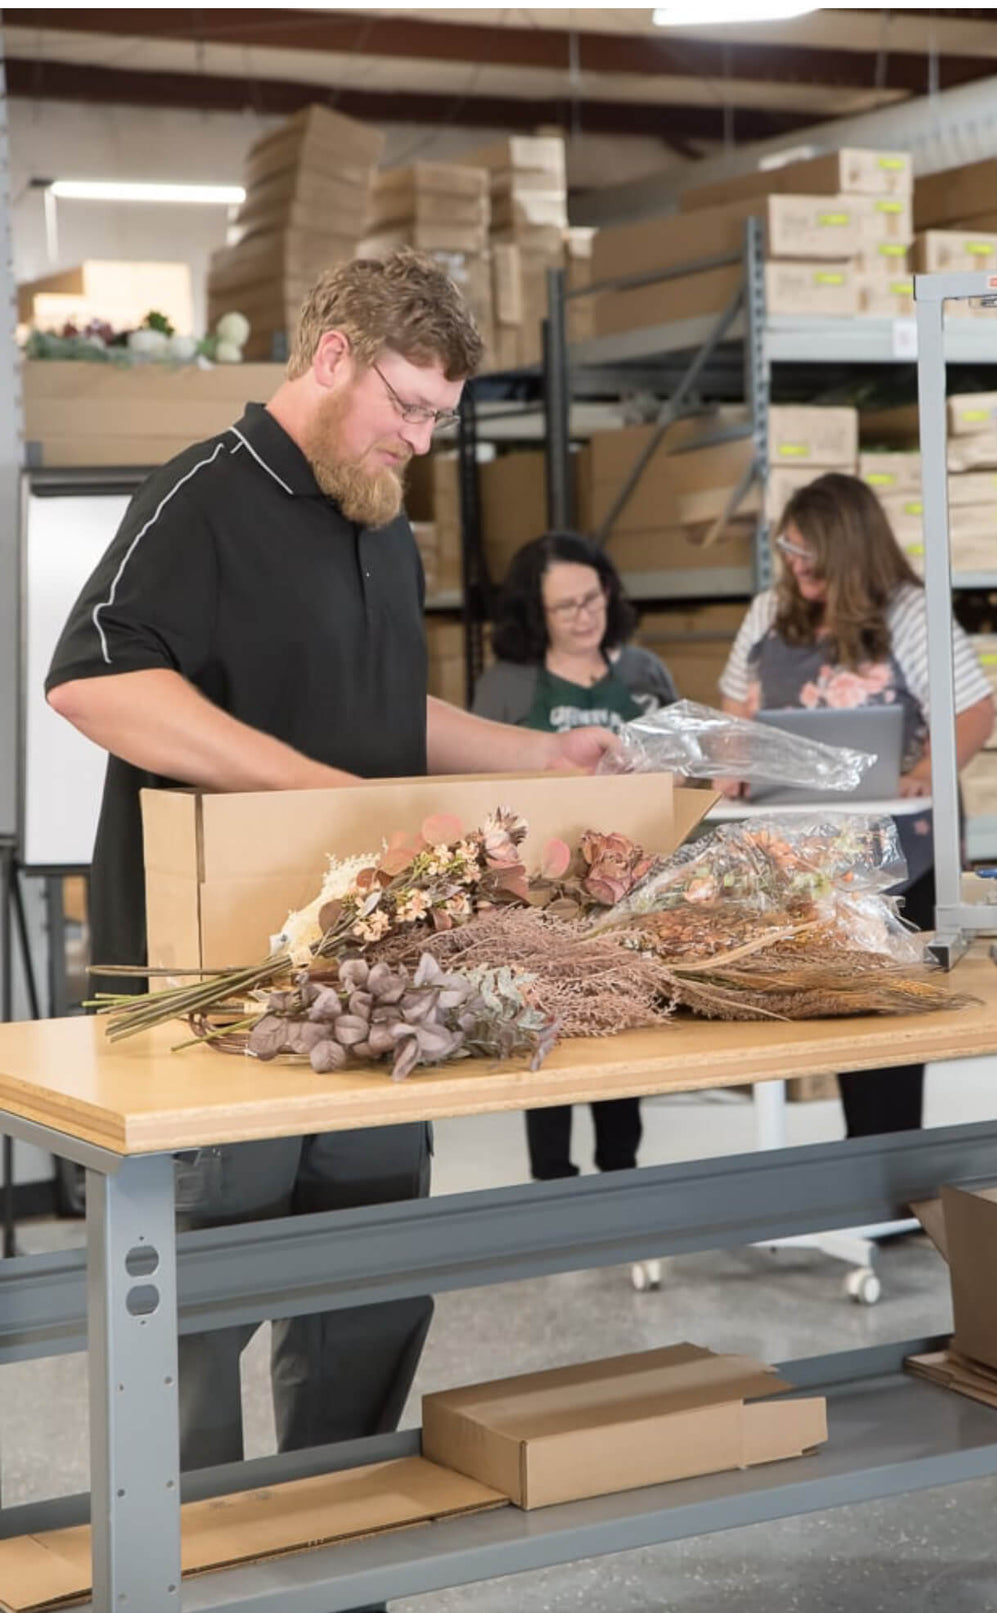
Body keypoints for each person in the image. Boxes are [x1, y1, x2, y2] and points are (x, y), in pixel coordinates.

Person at [46, 250, 616, 1607]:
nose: (421, 441)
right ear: (335, 354)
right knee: (194, 1310)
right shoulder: (202, 498)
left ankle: (325, 1561)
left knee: (367, 1281)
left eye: (440, 421)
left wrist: (531, 757)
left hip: (371, 987)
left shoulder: (381, 519)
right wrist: (323, 792)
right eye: (410, 407)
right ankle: (182, 1574)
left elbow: (377, 713)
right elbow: (95, 682)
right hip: (209, 993)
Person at [719, 472, 995, 1138]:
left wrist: (922, 771)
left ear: (852, 553)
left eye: (811, 556)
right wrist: (734, 770)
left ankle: (893, 1178)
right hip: (804, 861)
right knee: (835, 1016)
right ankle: (858, 1169)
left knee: (894, 1028)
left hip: (904, 860)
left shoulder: (911, 614)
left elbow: (974, 712)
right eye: (789, 550)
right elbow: (734, 712)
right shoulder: (768, 613)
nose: (795, 566)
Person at [472, 530, 678, 1181]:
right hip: (542, 894)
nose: (585, 615)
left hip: (631, 889)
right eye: (566, 607)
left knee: (621, 1022)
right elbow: (482, 786)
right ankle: (552, 1180)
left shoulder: (644, 672)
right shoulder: (506, 687)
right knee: (546, 1028)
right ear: (536, 615)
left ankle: (622, 1170)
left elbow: (680, 771)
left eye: (592, 598)